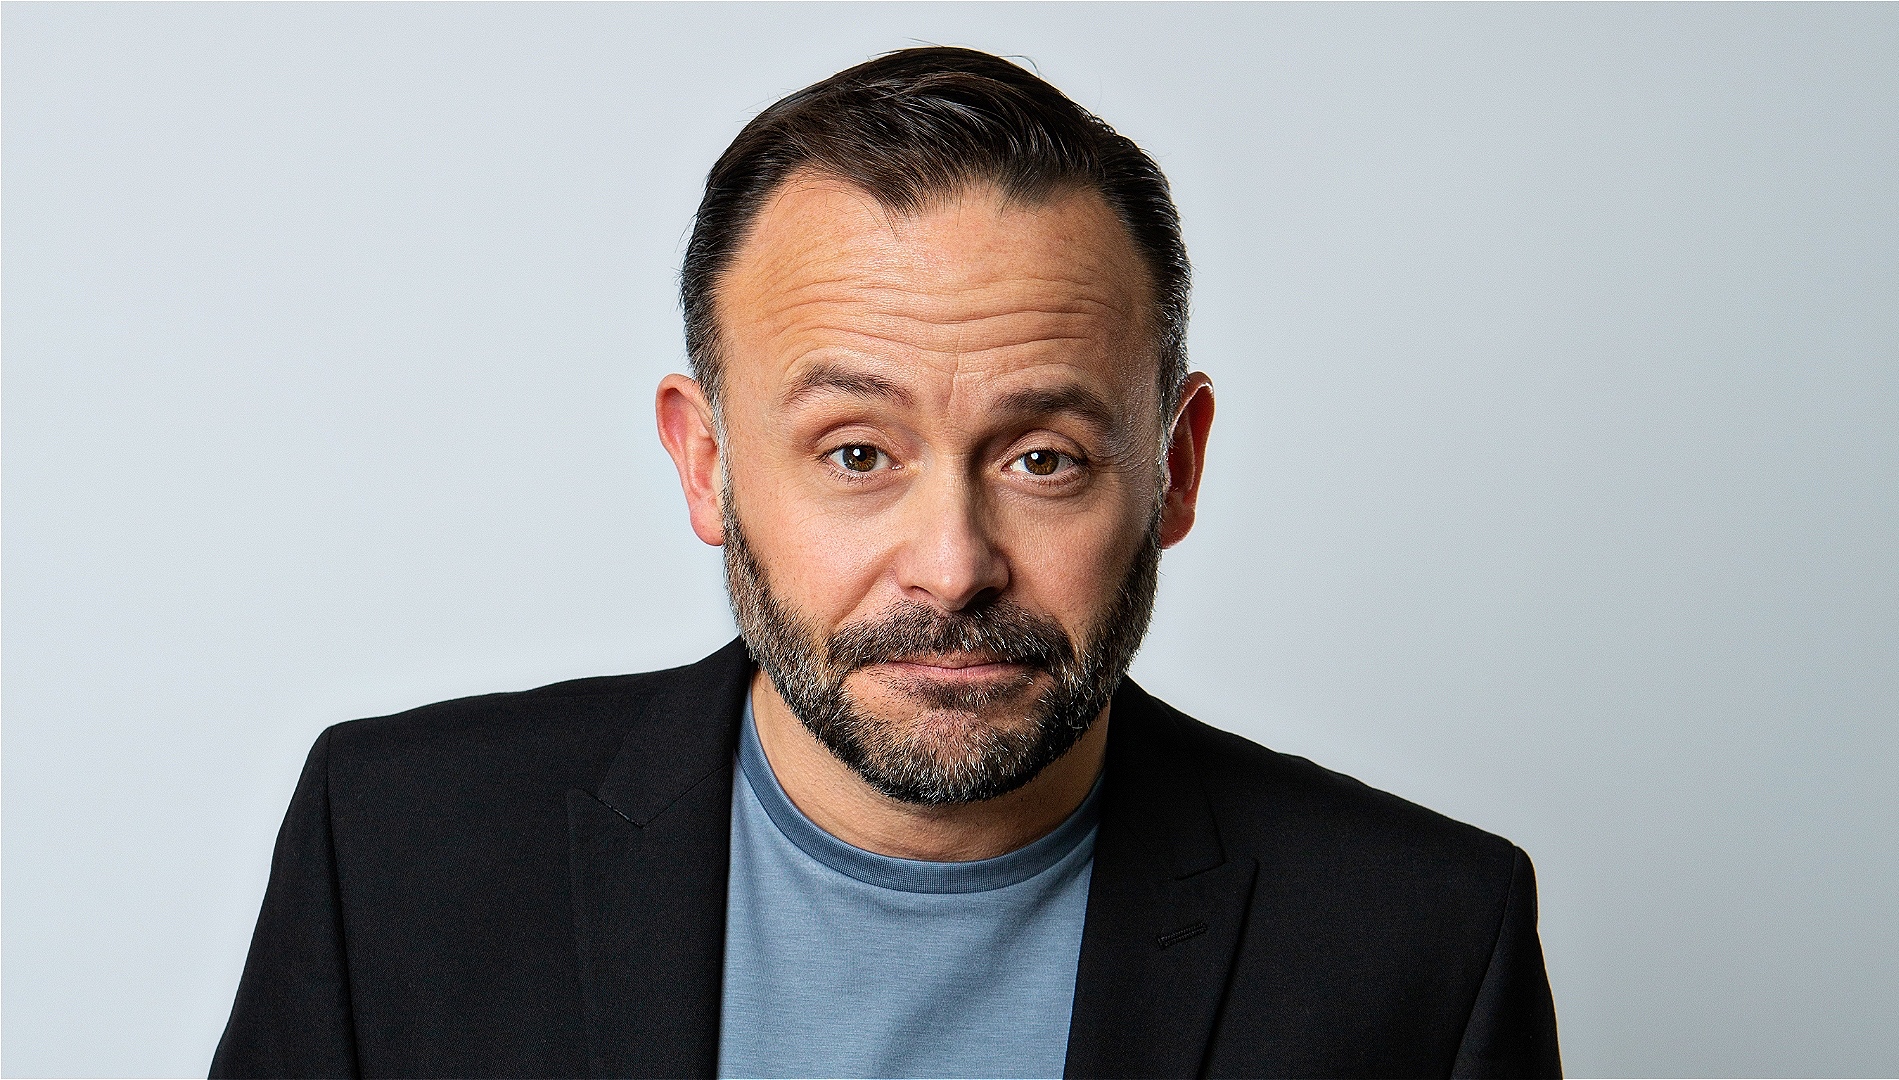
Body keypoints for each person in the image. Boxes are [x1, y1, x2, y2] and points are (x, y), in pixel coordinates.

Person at [211, 47, 1560, 1079]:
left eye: (1043, 457)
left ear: (1176, 468)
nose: (953, 565)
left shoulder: (1424, 945)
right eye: (857, 453)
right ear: (708, 463)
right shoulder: (390, 854)